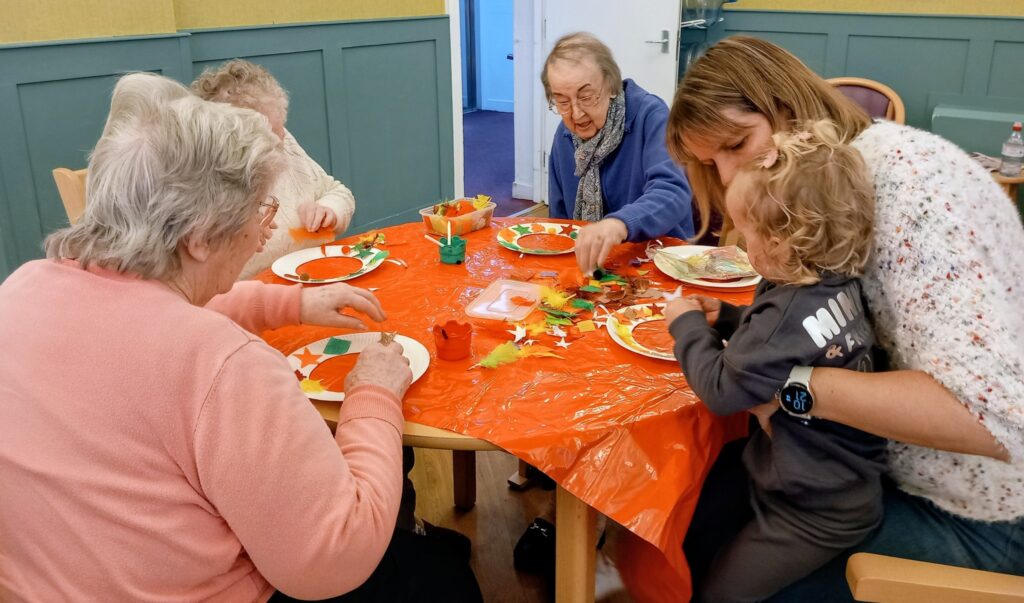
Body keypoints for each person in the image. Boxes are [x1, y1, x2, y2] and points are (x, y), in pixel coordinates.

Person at [0, 72, 481, 602]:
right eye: (261, 211)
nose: (264, 229)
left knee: (431, 555)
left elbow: (149, 311)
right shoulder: (225, 365)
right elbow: (334, 557)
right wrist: (374, 394)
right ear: (201, 237)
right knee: (449, 580)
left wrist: (291, 302)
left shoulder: (22, 287)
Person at [667, 36, 1024, 600]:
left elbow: (997, 419)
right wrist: (745, 328)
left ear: (786, 104)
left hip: (980, 511)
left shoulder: (910, 182)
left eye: (738, 144)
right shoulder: (826, 192)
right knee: (692, 516)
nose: (730, 176)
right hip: (864, 465)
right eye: (714, 163)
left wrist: (790, 386)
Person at [665, 122, 887, 602]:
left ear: (786, 243)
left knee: (725, 593)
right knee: (702, 517)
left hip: (814, 508)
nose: (743, 245)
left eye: (748, 233)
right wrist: (727, 316)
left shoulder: (787, 309)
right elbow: (786, 338)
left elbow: (721, 389)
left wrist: (685, 325)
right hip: (822, 475)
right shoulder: (826, 280)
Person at [543, 32, 695, 275]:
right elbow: (560, 222)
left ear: (612, 86)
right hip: (595, 268)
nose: (576, 114)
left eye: (586, 97)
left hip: (661, 261)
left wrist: (619, 224)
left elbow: (672, 191)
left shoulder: (650, 116)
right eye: (561, 102)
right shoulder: (565, 136)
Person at [192, 59, 356, 280]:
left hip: (320, 279)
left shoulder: (281, 139)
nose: (282, 142)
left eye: (281, 127)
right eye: (270, 139)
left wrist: (328, 210)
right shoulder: (201, 189)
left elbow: (337, 191)